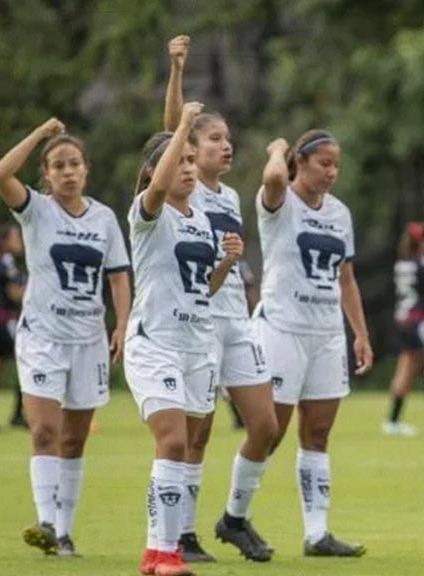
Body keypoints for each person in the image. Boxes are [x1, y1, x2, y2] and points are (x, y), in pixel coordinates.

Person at [0, 119, 132, 558]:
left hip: (88, 339)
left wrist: (123, 326)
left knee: (74, 439)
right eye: (58, 166)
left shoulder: (104, 218)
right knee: (44, 432)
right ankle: (47, 523)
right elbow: (0, 174)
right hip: (42, 338)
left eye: (74, 164)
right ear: (47, 174)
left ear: (86, 170)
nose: (68, 172)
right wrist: (38, 135)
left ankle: (66, 532)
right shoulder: (35, 209)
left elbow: (119, 278)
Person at [162, 34, 278, 563]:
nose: (226, 147)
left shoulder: (230, 195)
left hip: (237, 319)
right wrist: (177, 71)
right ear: (193, 151)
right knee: (198, 431)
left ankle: (233, 517)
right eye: (215, 140)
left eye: (228, 139)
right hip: (200, 319)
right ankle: (182, 535)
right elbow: (170, 135)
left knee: (266, 425)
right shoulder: (185, 189)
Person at [125, 101, 244, 576]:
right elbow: (156, 186)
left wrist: (227, 264)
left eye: (194, 162)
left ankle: (160, 553)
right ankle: (162, 552)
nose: (190, 169)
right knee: (172, 441)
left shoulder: (199, 219)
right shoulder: (148, 212)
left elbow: (200, 288)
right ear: (158, 170)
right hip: (156, 343)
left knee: (188, 443)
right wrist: (179, 129)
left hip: (198, 343)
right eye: (182, 161)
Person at [256, 128, 373, 558]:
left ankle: (317, 534)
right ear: (300, 162)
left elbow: (346, 278)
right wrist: (275, 149)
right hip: (282, 328)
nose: (332, 172)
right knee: (271, 431)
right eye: (323, 163)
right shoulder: (280, 201)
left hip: (325, 333)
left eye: (335, 164)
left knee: (318, 432)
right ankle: (236, 515)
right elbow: (271, 180)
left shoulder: (340, 213)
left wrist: (359, 333)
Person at [383, 221, 424, 437]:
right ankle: (393, 420)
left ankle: (393, 419)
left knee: (407, 367)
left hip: (404, 319)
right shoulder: (422, 264)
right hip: (418, 320)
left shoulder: (402, 263)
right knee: (414, 368)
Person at [0, 224, 26, 430]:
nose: (20, 242)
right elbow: (15, 293)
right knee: (27, 361)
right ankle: (18, 415)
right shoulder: (6, 261)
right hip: (3, 320)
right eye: (16, 237)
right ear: (5, 241)